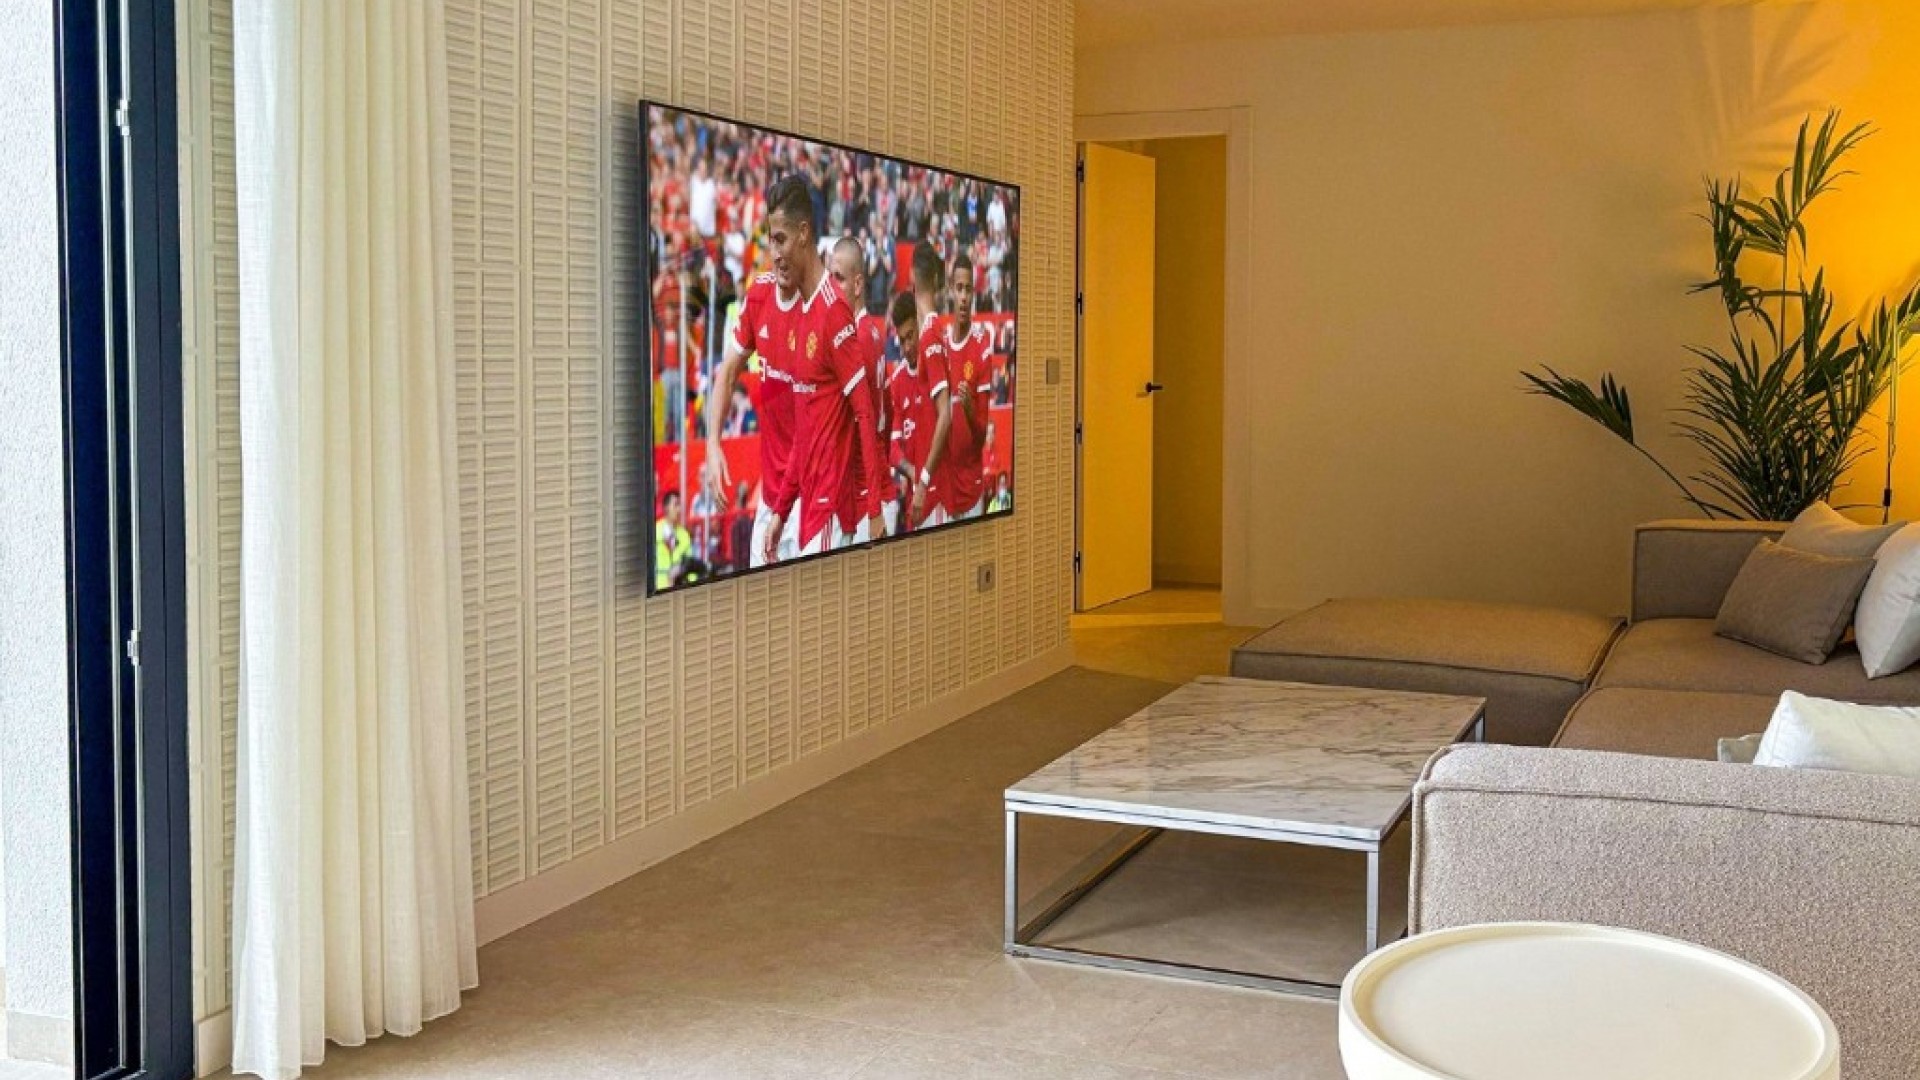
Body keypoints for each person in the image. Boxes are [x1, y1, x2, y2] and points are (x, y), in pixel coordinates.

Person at [757, 175, 890, 561]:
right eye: (770, 241)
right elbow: (805, 429)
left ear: (803, 234)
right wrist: (781, 511)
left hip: (832, 509)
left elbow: (864, 413)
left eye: (780, 239)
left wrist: (875, 510)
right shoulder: (804, 312)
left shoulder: (834, 312)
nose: (774, 253)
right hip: (808, 514)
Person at [830, 236, 899, 537]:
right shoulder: (872, 331)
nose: (832, 288)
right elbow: (888, 410)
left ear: (857, 285)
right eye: (830, 278)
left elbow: (865, 423)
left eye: (839, 279)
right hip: (874, 488)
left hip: (867, 497)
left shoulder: (857, 340)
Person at [904, 242, 955, 529]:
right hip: (930, 487)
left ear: (912, 276)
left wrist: (923, 482)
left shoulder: (931, 336)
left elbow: (945, 414)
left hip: (934, 491)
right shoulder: (931, 332)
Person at [940, 251, 993, 520]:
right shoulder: (940, 346)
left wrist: (970, 410)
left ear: (974, 294)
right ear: (951, 290)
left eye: (968, 290)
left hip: (971, 490)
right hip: (944, 489)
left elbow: (982, 436)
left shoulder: (982, 348)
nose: (963, 297)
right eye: (959, 288)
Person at [654, 489, 692, 591]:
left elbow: (690, 563)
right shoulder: (655, 531)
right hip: (658, 588)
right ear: (666, 508)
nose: (679, 510)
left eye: (680, 505)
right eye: (675, 505)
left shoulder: (684, 534)